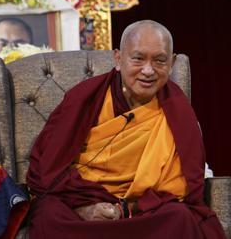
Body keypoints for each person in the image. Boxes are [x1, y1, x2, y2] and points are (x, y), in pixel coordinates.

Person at [26, 20, 226, 238]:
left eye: (160, 60)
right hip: (81, 202)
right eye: (138, 59)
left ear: (172, 62)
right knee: (49, 215)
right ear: (118, 59)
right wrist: (83, 207)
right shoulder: (85, 98)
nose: (148, 71)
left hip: (143, 211)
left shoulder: (179, 111)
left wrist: (126, 209)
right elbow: (45, 170)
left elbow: (183, 187)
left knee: (179, 217)